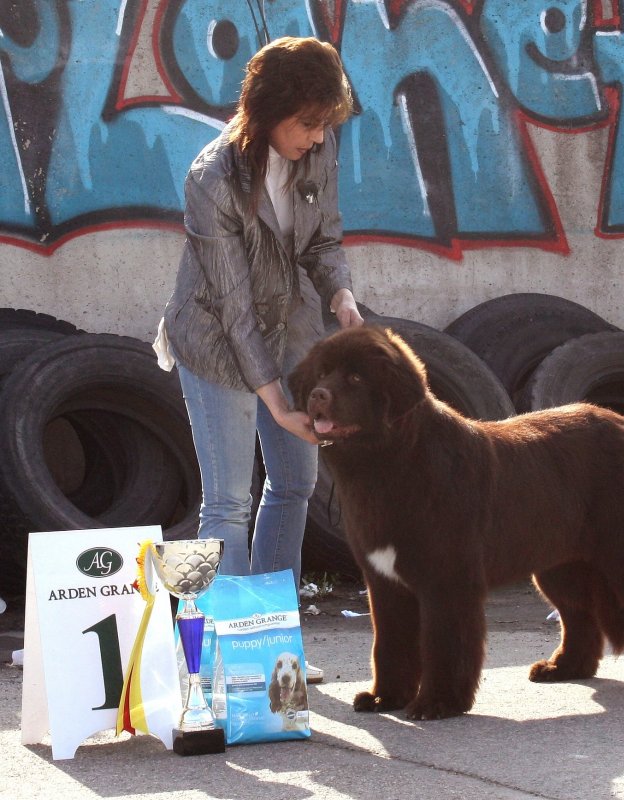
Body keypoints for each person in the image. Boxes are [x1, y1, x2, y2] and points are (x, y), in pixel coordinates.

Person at [154, 37, 364, 682]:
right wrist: (276, 402)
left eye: (326, 122)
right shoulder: (211, 177)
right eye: (307, 122)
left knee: (296, 482)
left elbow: (324, 241)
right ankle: (230, 659)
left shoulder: (319, 148)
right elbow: (235, 307)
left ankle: (275, 646)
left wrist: (342, 296)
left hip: (291, 323)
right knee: (227, 502)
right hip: (215, 336)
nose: (318, 135)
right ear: (267, 110)